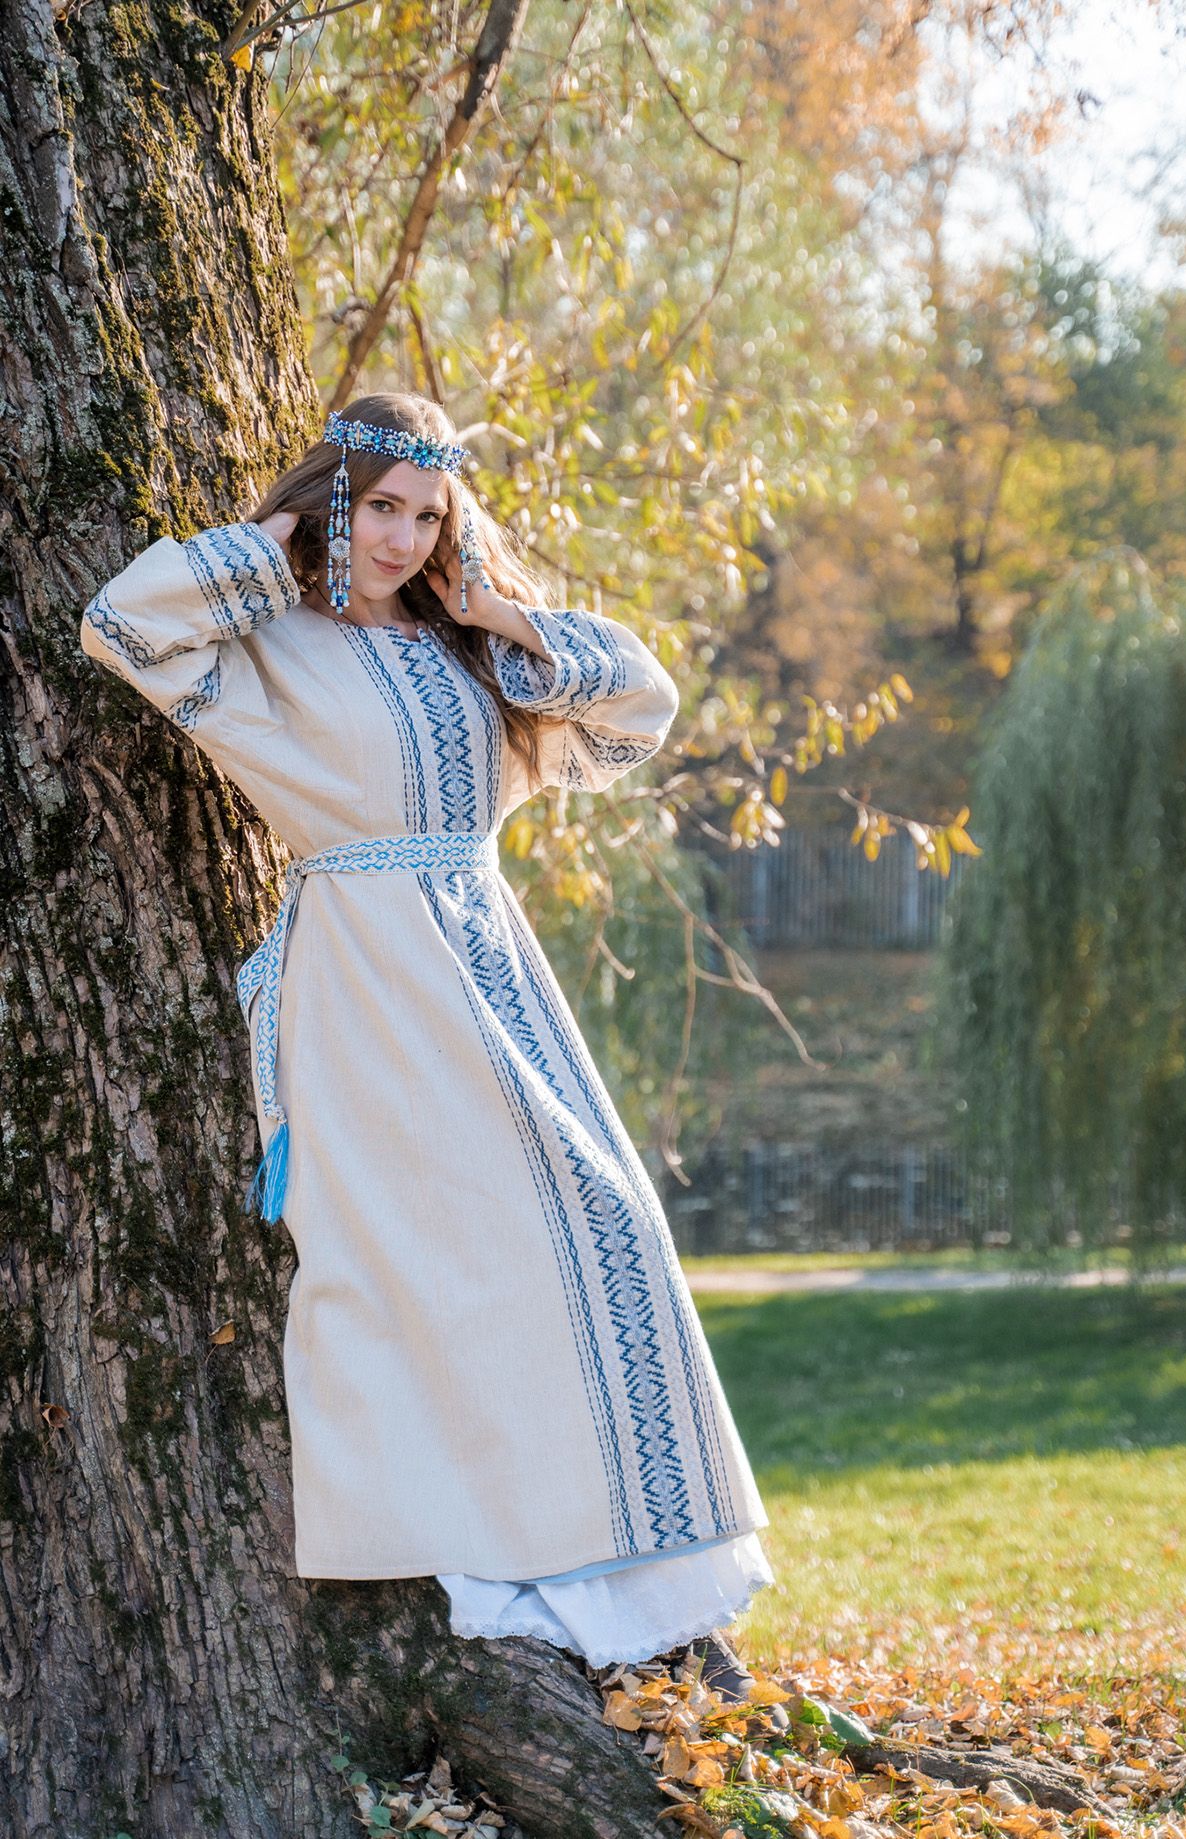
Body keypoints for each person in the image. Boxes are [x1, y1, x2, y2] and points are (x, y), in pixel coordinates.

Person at [79, 391, 772, 1697]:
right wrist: (264, 547)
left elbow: (640, 711)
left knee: (592, 1221)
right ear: (328, 500)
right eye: (377, 506)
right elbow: (121, 624)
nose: (399, 537)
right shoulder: (264, 646)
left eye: (426, 516)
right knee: (406, 1254)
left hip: (491, 962)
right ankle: (469, 1551)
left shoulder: (471, 657)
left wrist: (504, 617)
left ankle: (613, 1557)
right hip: (365, 970)